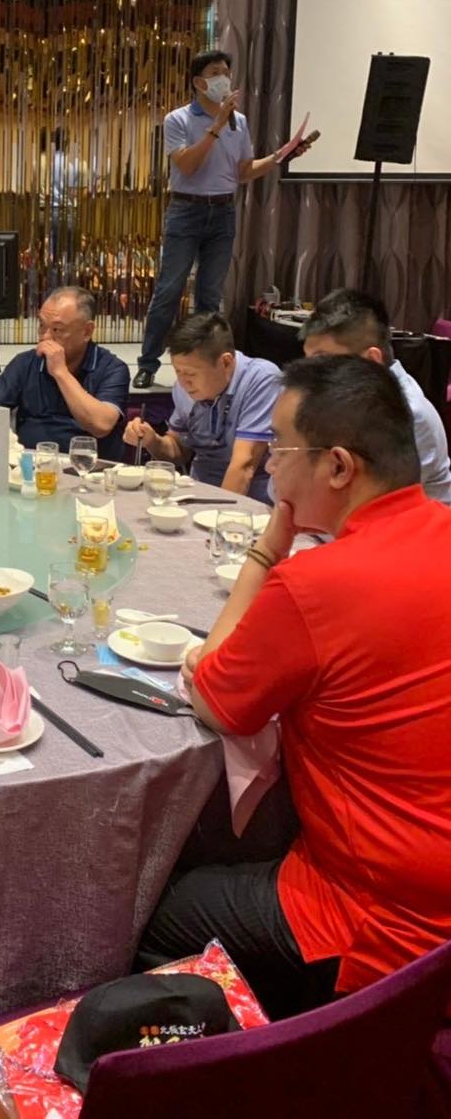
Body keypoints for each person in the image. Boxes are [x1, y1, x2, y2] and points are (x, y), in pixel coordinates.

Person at [137, 355, 451, 1019]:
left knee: (165, 912)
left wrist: (267, 549)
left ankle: (295, 1047)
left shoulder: (317, 584)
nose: (270, 466)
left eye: (280, 448)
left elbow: (212, 699)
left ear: (338, 467)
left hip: (388, 918)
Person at [132, 50, 318, 390]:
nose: (225, 79)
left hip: (223, 211)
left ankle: (204, 367)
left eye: (228, 72)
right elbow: (187, 165)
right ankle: (147, 364)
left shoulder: (239, 122)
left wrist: (280, 156)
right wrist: (216, 125)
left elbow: (243, 171)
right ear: (199, 82)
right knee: (169, 290)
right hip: (186, 210)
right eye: (216, 72)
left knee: (210, 296)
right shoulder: (178, 119)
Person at [300, 287, 451, 505]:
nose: (308, 374)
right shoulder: (348, 396)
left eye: (323, 361)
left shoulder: (406, 414)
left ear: (371, 361)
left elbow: (374, 506)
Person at [0, 287, 130, 459]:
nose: (45, 337)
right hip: (31, 468)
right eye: (42, 326)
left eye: (57, 329)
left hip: (88, 471)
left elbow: (101, 425)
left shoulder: (112, 368)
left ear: (87, 331)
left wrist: (61, 373)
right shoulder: (25, 363)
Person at [124, 313, 280, 500]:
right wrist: (152, 441)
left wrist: (218, 513)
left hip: (251, 503)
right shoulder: (182, 388)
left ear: (226, 362)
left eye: (190, 374)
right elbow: (178, 450)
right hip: (197, 495)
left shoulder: (261, 380)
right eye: (178, 371)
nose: (183, 382)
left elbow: (244, 466)